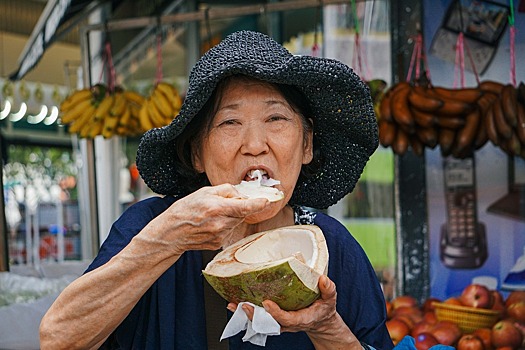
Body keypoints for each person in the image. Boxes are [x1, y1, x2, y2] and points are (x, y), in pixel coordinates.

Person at [39, 30, 394, 350]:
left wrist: (327, 327)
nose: (255, 144)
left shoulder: (334, 247)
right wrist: (167, 240)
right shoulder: (150, 225)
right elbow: (57, 340)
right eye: (229, 122)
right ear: (197, 152)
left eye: (276, 119)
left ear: (307, 146)